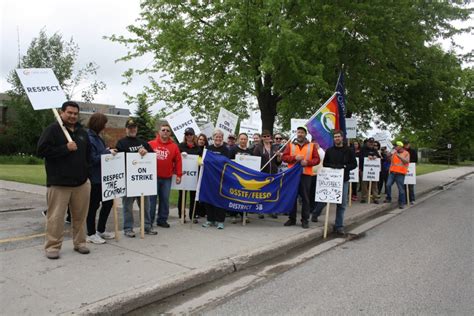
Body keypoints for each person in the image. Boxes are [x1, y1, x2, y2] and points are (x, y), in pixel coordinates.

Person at [37, 101, 91, 259]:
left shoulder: (82, 132)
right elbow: (41, 151)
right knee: (56, 217)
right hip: (59, 183)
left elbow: (87, 154)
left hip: (81, 183)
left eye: (75, 113)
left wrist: (86, 173)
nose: (73, 116)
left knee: (80, 217)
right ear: (62, 112)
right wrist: (65, 149)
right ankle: (53, 246)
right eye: (70, 113)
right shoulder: (53, 130)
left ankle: (80, 243)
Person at [116, 118, 157, 237]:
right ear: (126, 129)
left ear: (137, 129)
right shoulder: (121, 143)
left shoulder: (143, 143)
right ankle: (128, 228)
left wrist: (146, 152)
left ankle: (147, 227)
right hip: (129, 180)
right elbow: (118, 158)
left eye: (134, 127)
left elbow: (153, 156)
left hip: (142, 180)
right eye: (130, 128)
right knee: (128, 206)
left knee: (146, 205)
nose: (132, 129)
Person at [312, 130, 357, 235]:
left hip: (343, 180)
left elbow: (354, 164)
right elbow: (325, 163)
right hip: (330, 179)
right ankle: (315, 213)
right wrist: (333, 167)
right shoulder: (329, 150)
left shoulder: (349, 151)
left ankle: (339, 226)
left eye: (338, 137)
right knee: (324, 200)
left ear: (342, 138)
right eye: (335, 137)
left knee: (341, 204)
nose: (337, 138)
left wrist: (345, 167)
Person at [85, 113, 117, 244]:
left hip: (104, 178)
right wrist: (107, 153)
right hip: (95, 178)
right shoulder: (89, 138)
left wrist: (107, 150)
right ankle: (91, 233)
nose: (105, 126)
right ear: (98, 123)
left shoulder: (97, 137)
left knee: (108, 203)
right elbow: (92, 159)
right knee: (93, 206)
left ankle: (100, 230)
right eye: (104, 123)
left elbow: (100, 153)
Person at [282, 126, 320, 229]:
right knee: (292, 197)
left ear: (305, 134)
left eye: (302, 132)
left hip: (306, 175)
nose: (300, 134)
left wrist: (307, 162)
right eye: (298, 132)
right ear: (296, 133)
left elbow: (317, 160)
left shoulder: (311, 146)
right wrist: (294, 158)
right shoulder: (290, 145)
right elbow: (284, 157)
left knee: (305, 199)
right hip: (292, 175)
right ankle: (292, 219)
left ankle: (305, 220)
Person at [148, 123, 182, 228]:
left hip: (167, 178)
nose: (165, 132)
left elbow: (178, 161)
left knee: (165, 199)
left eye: (167, 130)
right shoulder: (150, 144)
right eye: (163, 130)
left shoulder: (174, 146)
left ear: (170, 133)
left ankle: (162, 220)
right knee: (151, 201)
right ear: (159, 132)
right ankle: (149, 222)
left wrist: (179, 174)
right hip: (153, 178)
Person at [202, 128, 230, 229]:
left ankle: (220, 221)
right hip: (209, 178)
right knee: (209, 198)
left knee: (220, 199)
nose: (218, 138)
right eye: (216, 136)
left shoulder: (226, 150)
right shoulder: (208, 148)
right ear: (213, 138)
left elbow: (227, 164)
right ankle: (210, 219)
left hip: (220, 178)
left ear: (222, 138)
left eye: (220, 137)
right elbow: (204, 161)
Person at [253, 129, 282, 219]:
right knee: (262, 192)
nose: (266, 138)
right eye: (264, 136)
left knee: (272, 192)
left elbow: (278, 163)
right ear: (262, 138)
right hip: (262, 173)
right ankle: (260, 210)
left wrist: (279, 156)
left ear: (270, 137)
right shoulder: (258, 148)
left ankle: (271, 210)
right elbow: (255, 160)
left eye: (268, 136)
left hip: (273, 173)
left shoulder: (275, 148)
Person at [178, 127, 202, 222]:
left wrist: (200, 161)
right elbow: (176, 158)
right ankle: (181, 215)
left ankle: (192, 215)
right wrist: (180, 155)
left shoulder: (198, 148)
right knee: (182, 195)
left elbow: (200, 158)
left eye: (190, 134)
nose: (189, 136)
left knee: (193, 196)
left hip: (194, 175)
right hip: (183, 175)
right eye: (187, 134)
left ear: (193, 136)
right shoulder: (180, 146)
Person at [384, 141, 410, 209]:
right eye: (395, 146)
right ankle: (388, 198)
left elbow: (406, 161)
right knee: (388, 185)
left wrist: (399, 156)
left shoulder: (406, 153)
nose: (395, 147)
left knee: (401, 189)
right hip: (392, 173)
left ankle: (402, 203)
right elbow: (388, 158)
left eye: (396, 146)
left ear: (400, 146)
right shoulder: (394, 152)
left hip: (400, 174)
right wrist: (388, 153)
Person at [359, 137, 381, 203]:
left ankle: (375, 198)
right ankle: (364, 198)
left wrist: (375, 156)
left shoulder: (375, 150)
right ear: (367, 142)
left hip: (373, 170)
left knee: (374, 184)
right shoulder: (363, 149)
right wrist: (367, 157)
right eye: (370, 142)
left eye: (372, 143)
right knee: (364, 184)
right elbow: (360, 157)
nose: (371, 144)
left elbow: (379, 157)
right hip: (364, 169)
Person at [403, 140, 418, 204]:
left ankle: (412, 199)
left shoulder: (413, 151)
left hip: (411, 169)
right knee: (404, 185)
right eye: (405, 144)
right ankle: (405, 199)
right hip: (403, 169)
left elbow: (415, 160)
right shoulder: (402, 151)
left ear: (409, 144)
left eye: (407, 144)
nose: (406, 145)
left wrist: (407, 161)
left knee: (410, 185)